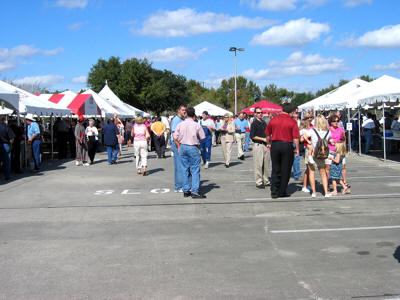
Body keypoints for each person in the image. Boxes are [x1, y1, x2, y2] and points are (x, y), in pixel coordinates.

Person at [266, 104, 299, 198]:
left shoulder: (274, 119)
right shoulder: (292, 122)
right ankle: (282, 191)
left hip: (275, 144)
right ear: (291, 112)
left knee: (276, 168)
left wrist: (269, 143)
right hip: (287, 145)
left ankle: (274, 190)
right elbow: (296, 137)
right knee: (286, 169)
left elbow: (268, 134)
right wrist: (297, 148)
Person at [173, 107, 206, 198]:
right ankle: (194, 191)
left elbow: (175, 136)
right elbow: (203, 137)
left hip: (183, 146)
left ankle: (185, 190)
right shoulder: (196, 125)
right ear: (194, 114)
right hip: (192, 146)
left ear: (186, 114)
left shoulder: (180, 124)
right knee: (195, 169)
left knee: (184, 169)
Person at [307, 116, 334, 197]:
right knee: (323, 173)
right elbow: (329, 140)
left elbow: (304, 135)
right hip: (322, 154)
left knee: (312, 172)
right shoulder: (328, 132)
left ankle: (314, 193)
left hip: (313, 154)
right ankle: (326, 192)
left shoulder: (312, 130)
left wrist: (309, 142)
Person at [250, 107, 270, 189]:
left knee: (266, 164)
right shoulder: (254, 123)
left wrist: (268, 142)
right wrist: (263, 139)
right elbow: (253, 136)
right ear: (255, 114)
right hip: (258, 145)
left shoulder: (264, 122)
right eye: (258, 113)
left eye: (261, 112)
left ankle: (266, 180)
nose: (260, 114)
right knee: (258, 164)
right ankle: (259, 181)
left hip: (265, 145)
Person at [326, 114, 348, 186]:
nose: (336, 122)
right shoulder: (328, 129)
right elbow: (324, 139)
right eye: (334, 121)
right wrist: (329, 140)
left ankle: (345, 181)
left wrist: (344, 148)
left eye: (337, 121)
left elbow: (344, 139)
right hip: (330, 150)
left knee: (343, 166)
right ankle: (327, 182)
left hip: (339, 150)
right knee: (328, 167)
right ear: (330, 122)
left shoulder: (340, 129)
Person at [171, 105, 187, 192]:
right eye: (183, 110)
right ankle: (178, 186)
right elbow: (174, 135)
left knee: (181, 165)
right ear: (179, 111)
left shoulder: (183, 120)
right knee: (179, 166)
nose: (184, 111)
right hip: (177, 144)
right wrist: (178, 146)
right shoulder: (176, 120)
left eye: (185, 110)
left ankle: (180, 185)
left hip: (181, 144)